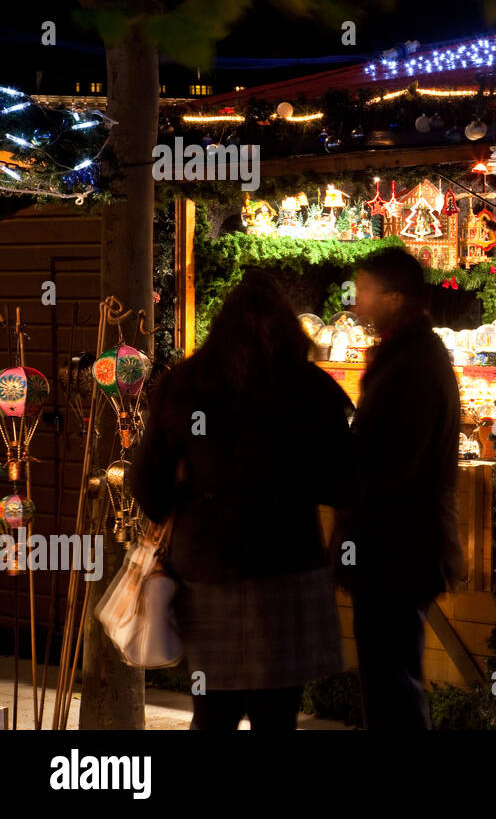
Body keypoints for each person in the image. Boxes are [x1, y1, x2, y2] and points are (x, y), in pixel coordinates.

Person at [131, 269, 354, 730]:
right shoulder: (312, 389)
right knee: (278, 714)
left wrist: (185, 501)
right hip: (288, 561)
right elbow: (341, 482)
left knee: (212, 710)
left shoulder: (186, 385)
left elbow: (148, 481)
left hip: (208, 566)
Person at [333, 247, 464, 730]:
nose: (356, 300)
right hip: (403, 545)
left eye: (364, 289)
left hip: (396, 547)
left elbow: (387, 462)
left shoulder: (409, 361)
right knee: (392, 673)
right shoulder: (411, 352)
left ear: (392, 297)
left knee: (391, 677)